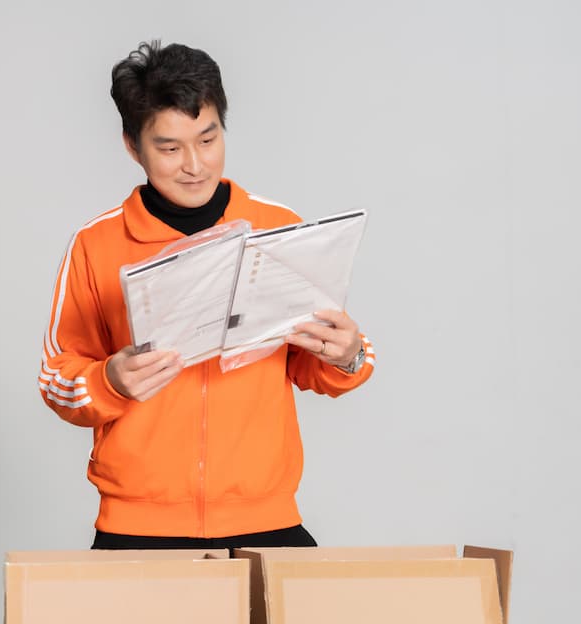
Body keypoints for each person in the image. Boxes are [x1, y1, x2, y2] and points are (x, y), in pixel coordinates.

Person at [39, 40, 375, 550]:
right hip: (138, 530)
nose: (194, 164)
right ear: (133, 146)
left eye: (208, 139)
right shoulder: (96, 245)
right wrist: (108, 379)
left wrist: (348, 355)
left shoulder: (278, 229)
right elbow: (57, 381)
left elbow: (313, 366)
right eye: (169, 148)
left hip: (267, 521)